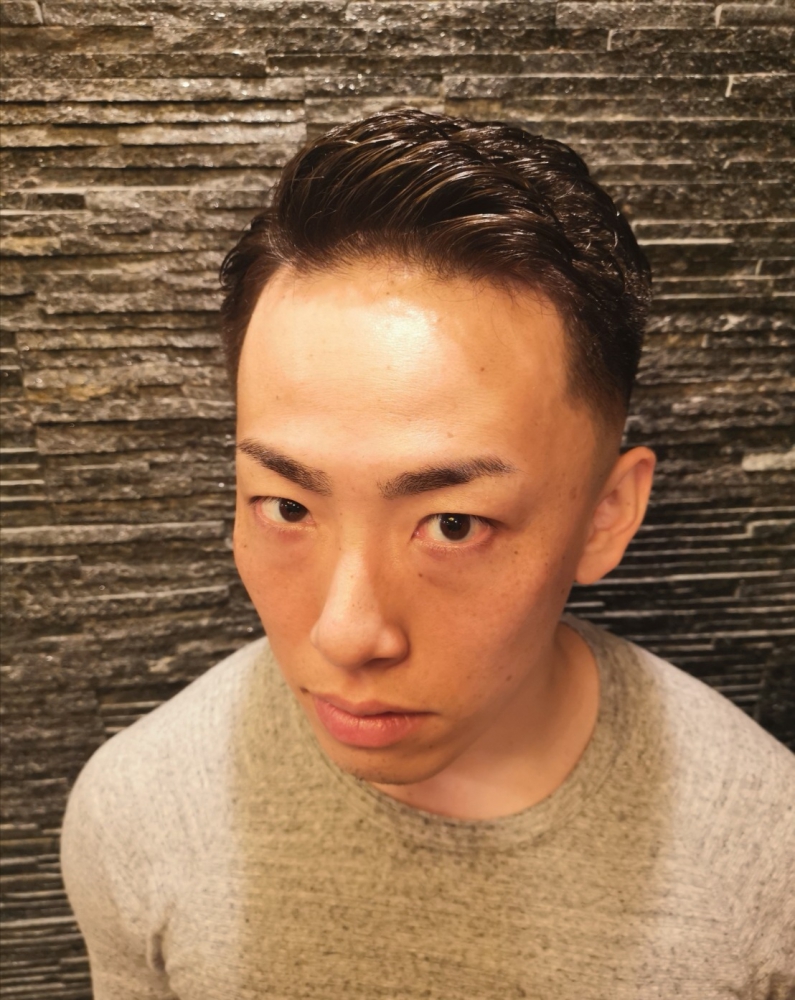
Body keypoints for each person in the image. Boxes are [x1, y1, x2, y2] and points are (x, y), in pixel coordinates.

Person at [60, 109, 794, 999]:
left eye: (452, 524)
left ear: (605, 515)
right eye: (287, 506)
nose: (346, 635)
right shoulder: (137, 812)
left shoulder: (768, 857)